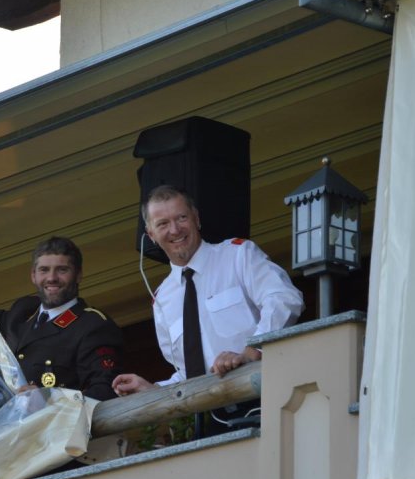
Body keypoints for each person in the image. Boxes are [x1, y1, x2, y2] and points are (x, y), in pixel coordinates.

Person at [112, 185, 303, 431]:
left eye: (182, 218)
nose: (175, 230)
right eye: (163, 224)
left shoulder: (237, 255)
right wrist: (153, 390)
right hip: (210, 421)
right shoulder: (161, 299)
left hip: (265, 401)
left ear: (196, 219)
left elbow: (284, 298)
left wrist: (251, 351)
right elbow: (188, 372)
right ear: (151, 235)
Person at [0, 234, 123, 401]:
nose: (52, 278)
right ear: (33, 275)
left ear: (78, 275)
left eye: (62, 270)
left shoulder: (93, 325)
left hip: (57, 421)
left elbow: (106, 391)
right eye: (44, 270)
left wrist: (49, 399)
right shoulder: (23, 311)